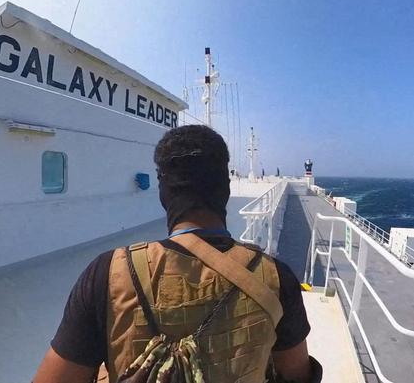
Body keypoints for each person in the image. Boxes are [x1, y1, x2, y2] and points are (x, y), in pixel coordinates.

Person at [32, 125, 321, 383]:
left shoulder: (107, 273)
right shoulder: (276, 277)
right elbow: (296, 374)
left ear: (164, 194)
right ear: (225, 190)